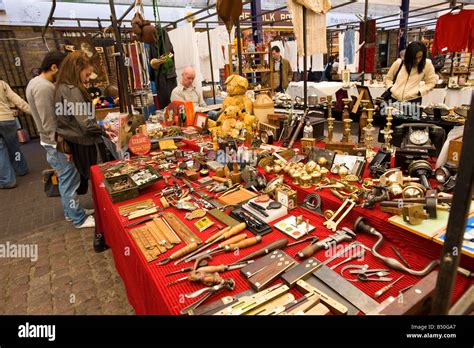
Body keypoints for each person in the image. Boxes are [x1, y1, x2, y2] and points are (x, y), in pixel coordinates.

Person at [26, 51, 95, 229]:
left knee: (67, 179)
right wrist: (63, 147)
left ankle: (72, 212)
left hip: (53, 141)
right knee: (69, 180)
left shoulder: (38, 83)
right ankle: (78, 218)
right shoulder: (44, 87)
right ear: (55, 67)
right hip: (55, 142)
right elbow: (50, 121)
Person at [54, 51, 109, 198]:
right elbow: (85, 123)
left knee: (91, 177)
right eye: (86, 74)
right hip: (83, 141)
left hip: (77, 139)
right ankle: (101, 208)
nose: (87, 78)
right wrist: (104, 129)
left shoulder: (63, 87)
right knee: (97, 177)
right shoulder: (71, 90)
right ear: (77, 69)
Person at [0, 79, 31, 189]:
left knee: (1, 151)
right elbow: (17, 100)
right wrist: (33, 112)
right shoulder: (2, 84)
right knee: (14, 146)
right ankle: (21, 169)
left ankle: (8, 180)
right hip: (7, 119)